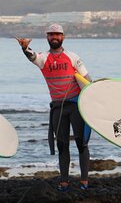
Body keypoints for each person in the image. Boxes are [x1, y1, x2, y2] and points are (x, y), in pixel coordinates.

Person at [16, 24, 92, 191]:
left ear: (63, 37)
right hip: (58, 108)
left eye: (57, 34)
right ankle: (64, 182)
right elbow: (32, 56)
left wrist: (95, 99)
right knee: (62, 145)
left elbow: (88, 80)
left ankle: (84, 181)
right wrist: (24, 47)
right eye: (51, 35)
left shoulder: (72, 57)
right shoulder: (44, 58)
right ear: (47, 37)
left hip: (76, 105)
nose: (54, 37)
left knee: (81, 143)